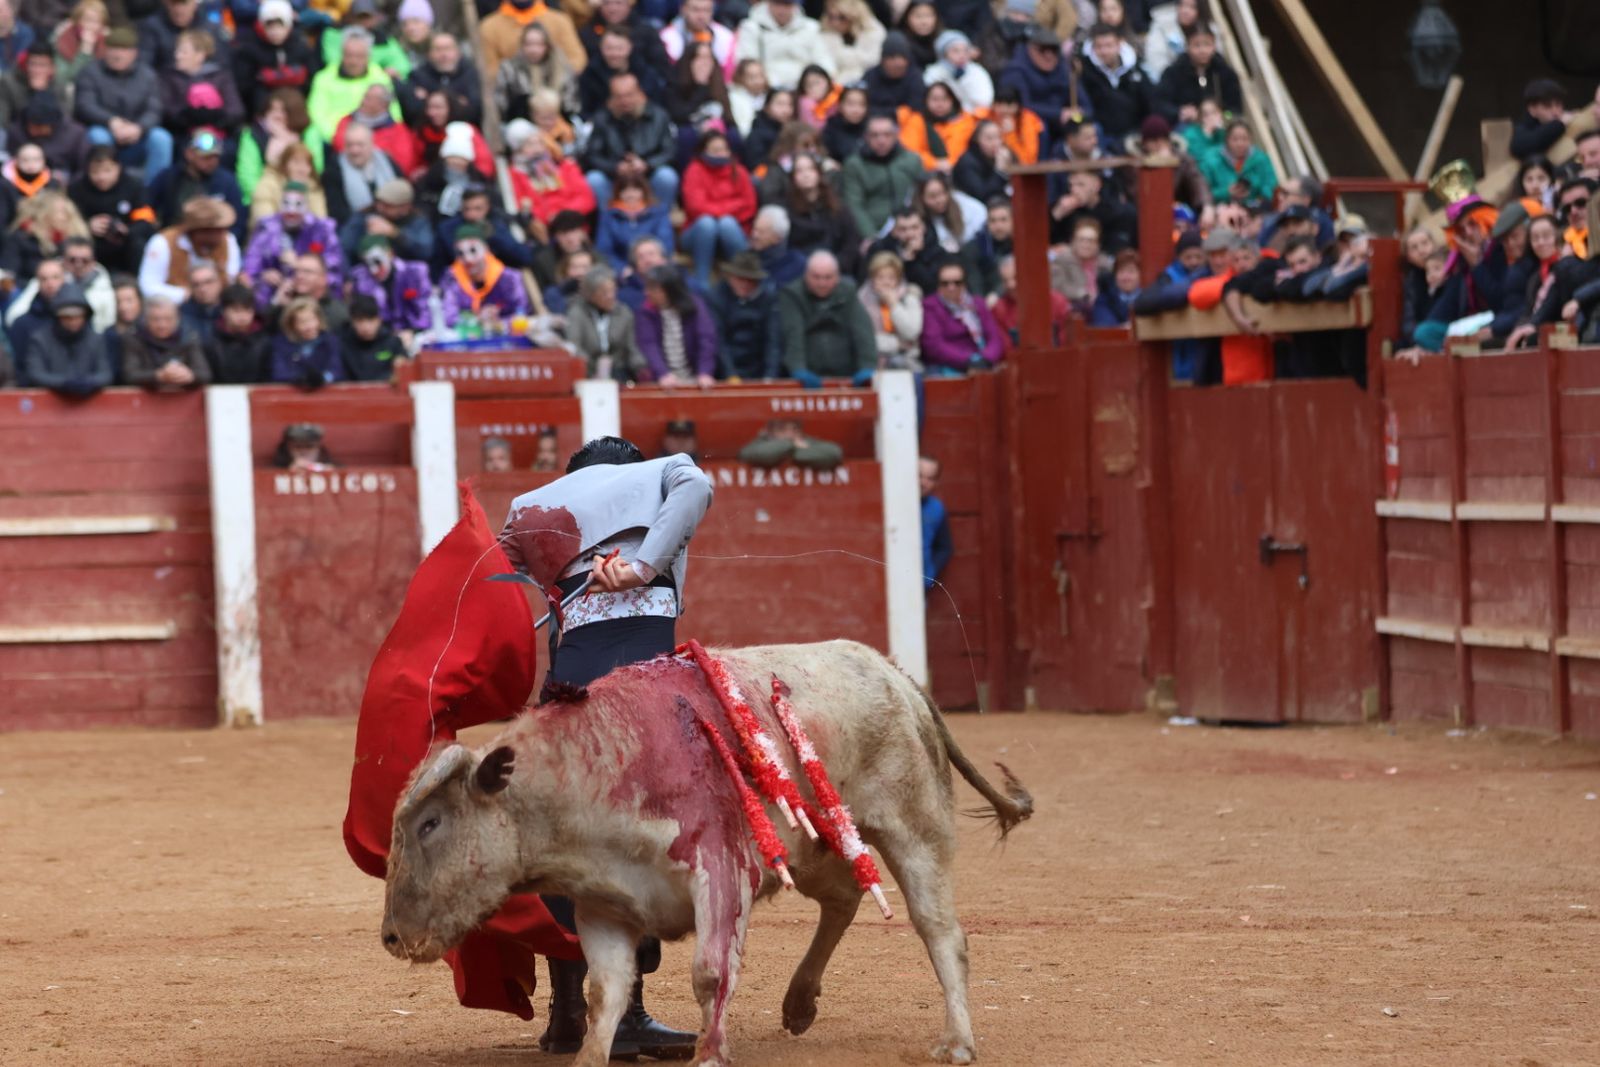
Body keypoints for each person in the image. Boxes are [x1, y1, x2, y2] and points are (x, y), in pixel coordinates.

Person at [496, 436, 712, 1064]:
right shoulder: (666, 474)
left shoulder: (531, 507)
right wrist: (645, 564)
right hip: (637, 697)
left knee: (563, 840)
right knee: (636, 842)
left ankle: (569, 1015)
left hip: (563, 698)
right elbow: (697, 487)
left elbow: (487, 583)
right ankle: (628, 1013)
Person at [73, 25, 169, 183]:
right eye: (113, 49)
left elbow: (154, 109)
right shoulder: (90, 72)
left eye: (123, 50)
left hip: (138, 134)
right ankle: (104, 184)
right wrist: (112, 122)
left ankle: (152, 192)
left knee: (161, 138)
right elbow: (85, 105)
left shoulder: (147, 75)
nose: (117, 55)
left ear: (134, 53)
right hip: (106, 129)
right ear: (105, 50)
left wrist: (139, 127)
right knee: (97, 136)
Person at [583, 71, 679, 209]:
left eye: (629, 95)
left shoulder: (659, 116)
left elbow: (669, 150)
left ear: (640, 93)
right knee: (594, 179)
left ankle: (658, 221)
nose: (625, 101)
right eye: (619, 96)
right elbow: (592, 155)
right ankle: (610, 222)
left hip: (648, 175)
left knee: (667, 177)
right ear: (611, 98)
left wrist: (646, 164)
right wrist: (615, 167)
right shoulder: (601, 119)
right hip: (615, 177)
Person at [779, 249, 875, 386]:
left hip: (847, 376)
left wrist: (867, 367)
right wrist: (798, 369)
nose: (822, 283)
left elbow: (863, 332)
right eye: (816, 277)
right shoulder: (792, 295)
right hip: (807, 377)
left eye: (828, 277)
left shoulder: (848, 292)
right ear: (806, 275)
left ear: (837, 277)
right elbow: (793, 334)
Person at [241, 180, 346, 306]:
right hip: (274, 296)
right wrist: (263, 275)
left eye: (298, 205)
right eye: (286, 204)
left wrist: (300, 267)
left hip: (314, 297)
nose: (291, 212)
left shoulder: (322, 230)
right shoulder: (266, 228)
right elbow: (250, 268)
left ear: (307, 206)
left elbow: (335, 268)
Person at [680, 130, 755, 288]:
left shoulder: (739, 170)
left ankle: (743, 274)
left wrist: (720, 215)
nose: (721, 154)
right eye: (715, 150)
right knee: (707, 223)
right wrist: (731, 207)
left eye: (724, 149)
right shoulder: (695, 170)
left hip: (733, 230)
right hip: (699, 232)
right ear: (704, 151)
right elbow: (696, 207)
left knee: (726, 224)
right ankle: (702, 280)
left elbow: (749, 205)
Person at [136, 194, 238, 304]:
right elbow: (148, 286)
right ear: (198, 231)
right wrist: (186, 294)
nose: (221, 235)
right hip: (175, 308)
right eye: (214, 231)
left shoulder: (228, 240)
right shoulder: (162, 243)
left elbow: (231, 276)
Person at [841, 111, 924, 241]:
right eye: (875, 135)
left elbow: (922, 196)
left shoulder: (912, 160)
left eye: (887, 135)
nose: (881, 140)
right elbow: (854, 206)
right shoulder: (854, 165)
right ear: (866, 137)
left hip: (911, 227)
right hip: (875, 230)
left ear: (896, 135)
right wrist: (870, 236)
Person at [999, 25, 1090, 140]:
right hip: (1031, 122)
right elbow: (1022, 105)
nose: (1049, 55)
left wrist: (1078, 113)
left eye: (1053, 49)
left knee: (1091, 128)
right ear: (1030, 48)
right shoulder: (1015, 70)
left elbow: (1086, 105)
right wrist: (1058, 113)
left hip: (1064, 122)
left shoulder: (1064, 68)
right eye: (1043, 49)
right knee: (1040, 127)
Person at [306, 27, 398, 141]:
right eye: (349, 55)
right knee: (312, 134)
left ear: (368, 56)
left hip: (374, 135)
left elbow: (394, 114)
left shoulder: (380, 78)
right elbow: (316, 114)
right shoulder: (323, 78)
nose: (353, 61)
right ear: (342, 54)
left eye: (359, 56)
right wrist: (338, 138)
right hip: (333, 135)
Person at [146, 127, 243, 234]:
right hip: (172, 238)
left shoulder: (227, 182)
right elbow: (147, 205)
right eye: (206, 157)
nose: (212, 162)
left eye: (216, 157)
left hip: (213, 240)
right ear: (189, 153)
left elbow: (238, 222)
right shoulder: (169, 177)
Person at [233, 0, 320, 117]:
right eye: (270, 27)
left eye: (280, 27)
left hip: (294, 98)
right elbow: (244, 84)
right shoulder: (250, 50)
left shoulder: (300, 47)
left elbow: (313, 76)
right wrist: (265, 79)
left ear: (288, 26)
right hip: (263, 103)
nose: (275, 32)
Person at [22, 280, 111, 395]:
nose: (73, 321)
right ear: (57, 317)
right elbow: (35, 373)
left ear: (85, 316)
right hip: (49, 407)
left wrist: (89, 382)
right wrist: (64, 383)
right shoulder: (40, 339)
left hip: (90, 406)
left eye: (78, 316)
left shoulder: (95, 339)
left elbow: (105, 373)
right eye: (67, 317)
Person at [636, 264, 717, 387]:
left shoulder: (695, 306)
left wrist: (704, 372)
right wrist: (663, 374)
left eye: (653, 289)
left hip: (695, 377)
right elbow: (648, 344)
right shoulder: (645, 311)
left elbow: (706, 339)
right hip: (662, 381)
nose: (647, 292)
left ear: (669, 290)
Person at [159, 27, 245, 141]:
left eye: (183, 52)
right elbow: (167, 111)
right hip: (182, 135)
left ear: (200, 56)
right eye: (177, 51)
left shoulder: (221, 76)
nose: (177, 56)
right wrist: (189, 118)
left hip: (219, 134)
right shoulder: (169, 77)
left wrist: (215, 118)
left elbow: (236, 111)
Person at [439, 221, 528, 328]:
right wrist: (477, 319)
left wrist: (497, 321)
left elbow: (522, 313)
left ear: (486, 249)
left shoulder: (509, 278)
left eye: (473, 251)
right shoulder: (452, 279)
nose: (468, 260)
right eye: (461, 254)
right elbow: (448, 318)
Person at [921, 257, 1001, 374]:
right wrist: (970, 359)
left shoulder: (977, 303)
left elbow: (995, 338)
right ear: (938, 284)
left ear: (964, 283)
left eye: (957, 283)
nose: (951, 287)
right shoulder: (930, 306)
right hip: (949, 367)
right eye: (945, 283)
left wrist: (986, 358)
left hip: (983, 364)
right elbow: (934, 346)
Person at [565, 263, 645, 381]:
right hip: (588, 371)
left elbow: (631, 346)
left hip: (618, 370)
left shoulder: (624, 312)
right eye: (604, 292)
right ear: (590, 294)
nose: (610, 296)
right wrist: (592, 369)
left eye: (613, 290)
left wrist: (641, 368)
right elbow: (574, 345)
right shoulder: (577, 312)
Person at [708, 250, 780, 380]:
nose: (745, 284)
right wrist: (730, 374)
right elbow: (718, 340)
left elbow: (772, 340)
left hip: (757, 369)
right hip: (724, 371)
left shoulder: (768, 298)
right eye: (740, 278)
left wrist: (770, 376)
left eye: (751, 280)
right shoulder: (717, 297)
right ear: (730, 277)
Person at [1152, 21, 1241, 126]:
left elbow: (1235, 110)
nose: (1202, 50)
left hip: (1220, 126)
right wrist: (1180, 112)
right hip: (1185, 126)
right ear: (1187, 46)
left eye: (1207, 44)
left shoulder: (1225, 72)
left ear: (1214, 46)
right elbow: (1160, 104)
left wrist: (1222, 116)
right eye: (1197, 45)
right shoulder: (1174, 72)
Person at [349, 234, 429, 345]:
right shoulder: (360, 280)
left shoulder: (415, 272)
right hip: (382, 340)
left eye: (377, 261)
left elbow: (426, 310)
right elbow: (368, 316)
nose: (374, 270)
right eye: (368, 264)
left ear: (390, 254)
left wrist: (414, 332)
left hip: (418, 334)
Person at [119, 293, 210, 389]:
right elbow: (129, 375)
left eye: (168, 319)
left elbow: (204, 373)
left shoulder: (189, 336)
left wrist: (190, 375)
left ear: (177, 319)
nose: (162, 325)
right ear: (146, 319)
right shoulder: (133, 337)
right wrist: (159, 376)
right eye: (155, 319)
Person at [736, 0, 830, 91]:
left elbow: (824, 61)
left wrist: (814, 84)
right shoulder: (751, 27)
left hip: (804, 90)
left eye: (787, 4)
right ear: (768, 3)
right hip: (764, 90)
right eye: (777, 3)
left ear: (795, 5)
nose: (782, 9)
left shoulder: (811, 28)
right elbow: (746, 64)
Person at [494, 22, 578, 123]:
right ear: (522, 45)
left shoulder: (561, 68)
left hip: (557, 121)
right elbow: (501, 104)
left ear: (547, 46)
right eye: (529, 44)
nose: (534, 50)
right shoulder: (510, 68)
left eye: (539, 44)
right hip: (523, 122)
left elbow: (571, 104)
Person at [991, 253, 1074, 354]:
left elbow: (1066, 341)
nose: (1010, 285)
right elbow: (1007, 348)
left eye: (1016, 278)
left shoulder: (1057, 301)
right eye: (1005, 280)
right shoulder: (999, 309)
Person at [479, 0, 585, 78]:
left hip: (555, 93)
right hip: (514, 94)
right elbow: (490, 71)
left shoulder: (560, 21)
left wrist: (553, 76)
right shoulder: (489, 26)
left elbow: (577, 61)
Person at [339, 176, 432, 265]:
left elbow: (426, 252)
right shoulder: (365, 216)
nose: (380, 208)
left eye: (388, 205)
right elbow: (344, 247)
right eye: (379, 202)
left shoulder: (417, 220)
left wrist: (395, 233)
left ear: (405, 207)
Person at [595, 174, 674, 273]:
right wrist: (621, 268)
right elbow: (604, 250)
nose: (630, 194)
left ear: (643, 192)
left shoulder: (658, 212)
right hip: (623, 271)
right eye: (625, 190)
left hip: (655, 266)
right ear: (618, 193)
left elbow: (666, 244)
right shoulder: (609, 216)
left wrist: (653, 262)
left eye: (635, 189)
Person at [401, 30, 481, 128]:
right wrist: (457, 101)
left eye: (448, 49)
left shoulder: (470, 73)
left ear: (458, 52)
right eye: (438, 49)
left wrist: (431, 97)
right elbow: (413, 110)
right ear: (429, 53)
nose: (443, 54)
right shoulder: (418, 75)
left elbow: (475, 110)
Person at [861, 249, 922, 371]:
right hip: (873, 362)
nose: (886, 282)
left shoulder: (910, 297)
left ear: (898, 280)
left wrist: (894, 304)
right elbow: (865, 340)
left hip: (907, 362)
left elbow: (911, 333)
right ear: (872, 279)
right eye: (880, 277)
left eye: (891, 277)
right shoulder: (862, 300)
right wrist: (898, 344)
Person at [1200, 118, 1276, 206]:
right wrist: (1225, 193)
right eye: (1235, 139)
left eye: (1245, 139)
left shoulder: (1261, 159)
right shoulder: (1210, 159)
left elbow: (1271, 186)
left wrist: (1258, 195)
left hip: (1256, 207)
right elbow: (1203, 192)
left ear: (1251, 140)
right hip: (1222, 209)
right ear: (1226, 140)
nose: (1240, 144)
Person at [270, 296, 343, 386]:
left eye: (312, 319)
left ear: (319, 320)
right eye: (302, 322)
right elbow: (279, 373)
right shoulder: (281, 344)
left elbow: (337, 371)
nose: (309, 326)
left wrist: (322, 378)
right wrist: (299, 379)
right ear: (292, 325)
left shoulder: (331, 342)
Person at [206, 282, 269, 382]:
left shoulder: (264, 341)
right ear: (223, 311)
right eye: (236, 310)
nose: (242, 316)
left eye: (247, 310)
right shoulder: (210, 342)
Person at [340, 292, 407, 380]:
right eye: (360, 320)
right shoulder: (342, 344)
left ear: (379, 320)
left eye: (370, 320)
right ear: (352, 322)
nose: (366, 327)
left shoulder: (393, 343)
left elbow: (405, 370)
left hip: (385, 392)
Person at [661, 0, 737, 77]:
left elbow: (728, 76)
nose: (701, 16)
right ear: (683, 9)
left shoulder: (725, 37)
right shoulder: (666, 38)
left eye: (706, 10)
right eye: (695, 10)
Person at [923, 29, 991, 113]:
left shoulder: (976, 71)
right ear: (944, 54)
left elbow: (984, 101)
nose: (961, 55)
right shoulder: (933, 73)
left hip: (972, 117)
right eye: (955, 51)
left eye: (965, 50)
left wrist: (964, 81)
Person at [818, 0, 883, 87]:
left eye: (842, 17)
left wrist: (843, 57)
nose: (835, 22)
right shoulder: (826, 33)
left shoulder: (872, 30)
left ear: (854, 16)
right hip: (832, 84)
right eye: (831, 16)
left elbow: (872, 60)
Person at [738, 417, 844, 469]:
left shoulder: (806, 441)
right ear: (770, 432)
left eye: (794, 429)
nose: (789, 434)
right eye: (782, 429)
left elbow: (835, 453)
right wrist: (791, 445)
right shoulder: (760, 443)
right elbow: (754, 455)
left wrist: (792, 451)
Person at [861, 29, 922, 113]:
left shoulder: (915, 77)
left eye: (902, 57)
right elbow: (862, 106)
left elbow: (915, 107)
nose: (898, 63)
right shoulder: (870, 76)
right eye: (892, 57)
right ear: (883, 60)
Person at [748, 203, 805, 292]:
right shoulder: (746, 256)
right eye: (755, 229)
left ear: (777, 238)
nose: (754, 235)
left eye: (761, 232)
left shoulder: (794, 263)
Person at [1513, 77, 1570, 162]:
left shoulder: (1568, 120)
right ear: (1532, 110)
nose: (1555, 112)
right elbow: (1521, 146)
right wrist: (1559, 124)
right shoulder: (1522, 129)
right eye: (1547, 106)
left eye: (1558, 105)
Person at [919, 455, 952, 590]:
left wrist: (929, 573)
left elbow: (945, 547)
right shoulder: (890, 502)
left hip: (920, 586)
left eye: (930, 478)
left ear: (936, 483)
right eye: (919, 475)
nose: (923, 482)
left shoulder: (936, 508)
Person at [180, 258, 223, 343]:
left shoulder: (231, 310)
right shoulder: (182, 315)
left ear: (220, 282)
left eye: (208, 282)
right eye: (196, 285)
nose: (203, 289)